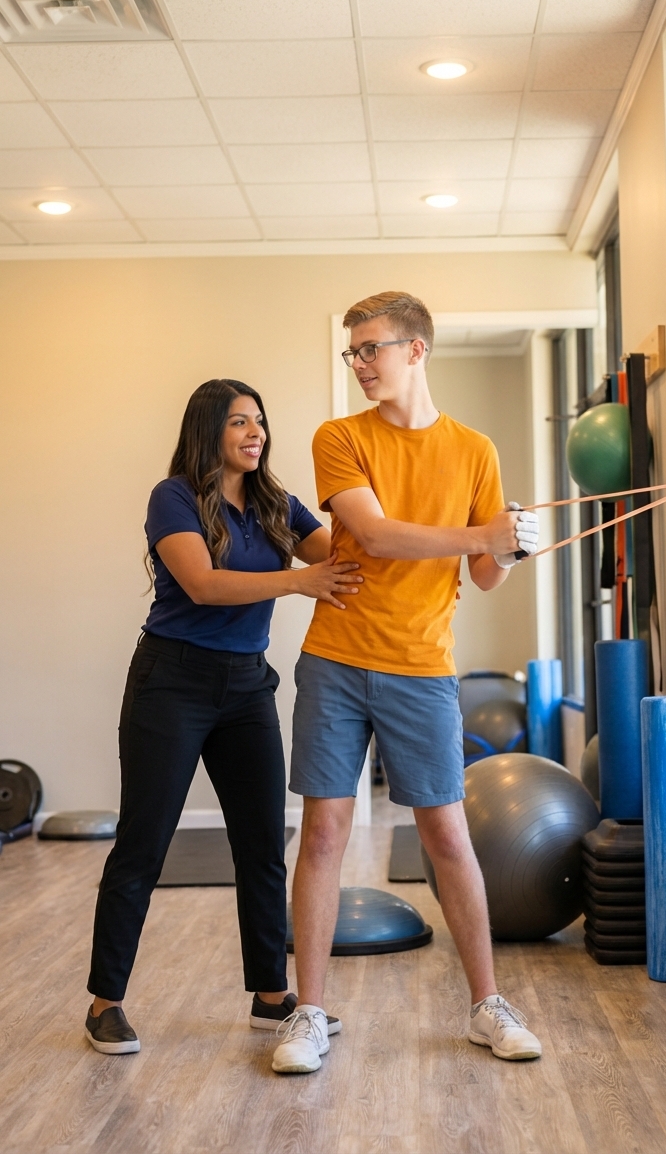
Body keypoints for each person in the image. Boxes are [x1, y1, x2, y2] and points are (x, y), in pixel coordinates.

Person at [272, 293, 542, 1074]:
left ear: (416, 350)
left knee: (447, 838)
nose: (359, 364)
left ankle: (487, 1005)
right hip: (338, 658)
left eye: (371, 349)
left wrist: (513, 544)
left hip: (423, 667)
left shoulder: (475, 450)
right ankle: (309, 1014)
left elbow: (485, 576)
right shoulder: (340, 437)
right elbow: (381, 535)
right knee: (323, 832)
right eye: (352, 352)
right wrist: (479, 536)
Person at [85, 379, 362, 1055]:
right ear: (208, 429)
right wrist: (298, 580)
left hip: (245, 688)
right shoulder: (173, 496)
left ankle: (272, 997)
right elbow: (204, 584)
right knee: (144, 845)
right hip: (172, 682)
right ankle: (104, 1003)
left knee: (264, 843)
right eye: (240, 422)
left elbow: (341, 554)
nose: (255, 432)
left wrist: (399, 518)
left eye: (260, 422)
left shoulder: (273, 500)